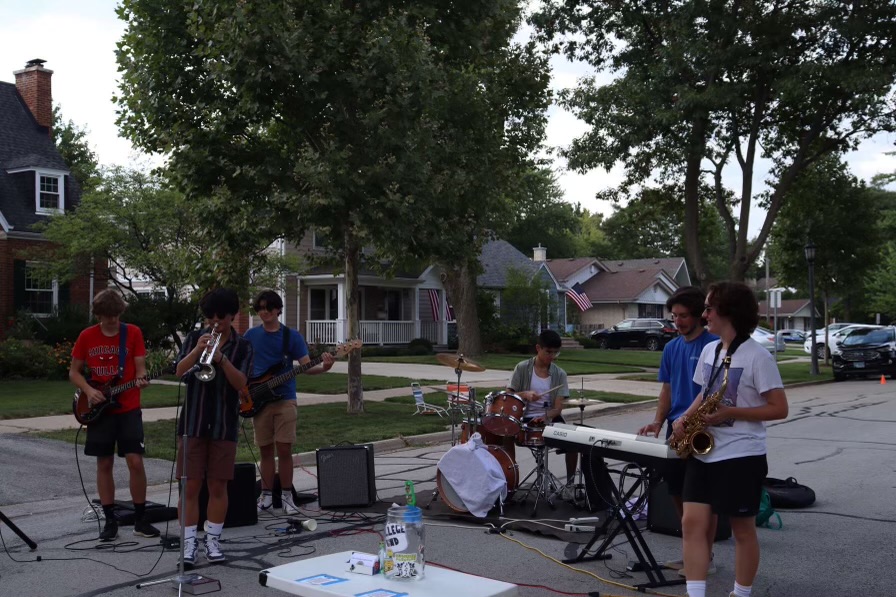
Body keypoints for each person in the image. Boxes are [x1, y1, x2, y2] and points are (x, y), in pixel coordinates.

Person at [671, 282, 788, 597]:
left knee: (742, 530)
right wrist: (683, 419)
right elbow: (702, 393)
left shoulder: (757, 357)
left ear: (728, 312)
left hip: (741, 455)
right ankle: (696, 594)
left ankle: (741, 593)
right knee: (692, 524)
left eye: (709, 308)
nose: (705, 314)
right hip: (704, 452)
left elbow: (780, 408)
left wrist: (730, 412)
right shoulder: (711, 349)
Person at [637, 286, 718, 575]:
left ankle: (704, 558)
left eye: (683, 316)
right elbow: (667, 389)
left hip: (704, 430)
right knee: (676, 492)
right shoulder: (671, 348)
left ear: (699, 315)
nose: (678, 321)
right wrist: (659, 422)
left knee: (702, 497)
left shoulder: (714, 344)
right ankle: (691, 553)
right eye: (674, 316)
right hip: (676, 429)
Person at [69, 289, 160, 541]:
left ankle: (141, 519)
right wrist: (88, 390)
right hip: (99, 409)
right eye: (107, 316)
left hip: (128, 407)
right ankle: (110, 520)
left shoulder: (132, 333)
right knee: (104, 462)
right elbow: (74, 372)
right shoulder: (86, 336)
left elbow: (140, 365)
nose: (112, 320)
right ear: (98, 315)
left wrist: (141, 378)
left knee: (135, 461)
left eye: (116, 315)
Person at [174, 288, 253, 567]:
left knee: (218, 485)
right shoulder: (196, 338)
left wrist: (221, 358)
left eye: (221, 317)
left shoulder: (243, 346)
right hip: (193, 421)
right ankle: (188, 544)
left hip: (223, 423)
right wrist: (198, 350)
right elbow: (179, 371)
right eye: (210, 317)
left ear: (233, 316)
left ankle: (213, 541)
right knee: (189, 486)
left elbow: (241, 383)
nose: (215, 322)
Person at [244, 290, 334, 516]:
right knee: (264, 450)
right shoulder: (250, 335)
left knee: (284, 449)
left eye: (268, 308)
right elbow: (242, 365)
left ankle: (287, 496)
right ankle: (265, 496)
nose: (264, 312)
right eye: (260, 308)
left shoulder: (291, 337)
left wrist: (324, 367)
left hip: (285, 400)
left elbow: (306, 365)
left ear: (278, 310)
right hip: (257, 398)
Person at [505, 329, 578, 492]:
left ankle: (570, 485)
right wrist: (524, 394)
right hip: (524, 418)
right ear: (538, 348)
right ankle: (510, 482)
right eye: (548, 352)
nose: (551, 356)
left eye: (555, 353)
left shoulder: (560, 374)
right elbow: (508, 396)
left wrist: (545, 417)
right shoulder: (522, 368)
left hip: (549, 418)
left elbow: (558, 408)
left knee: (574, 442)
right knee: (506, 436)